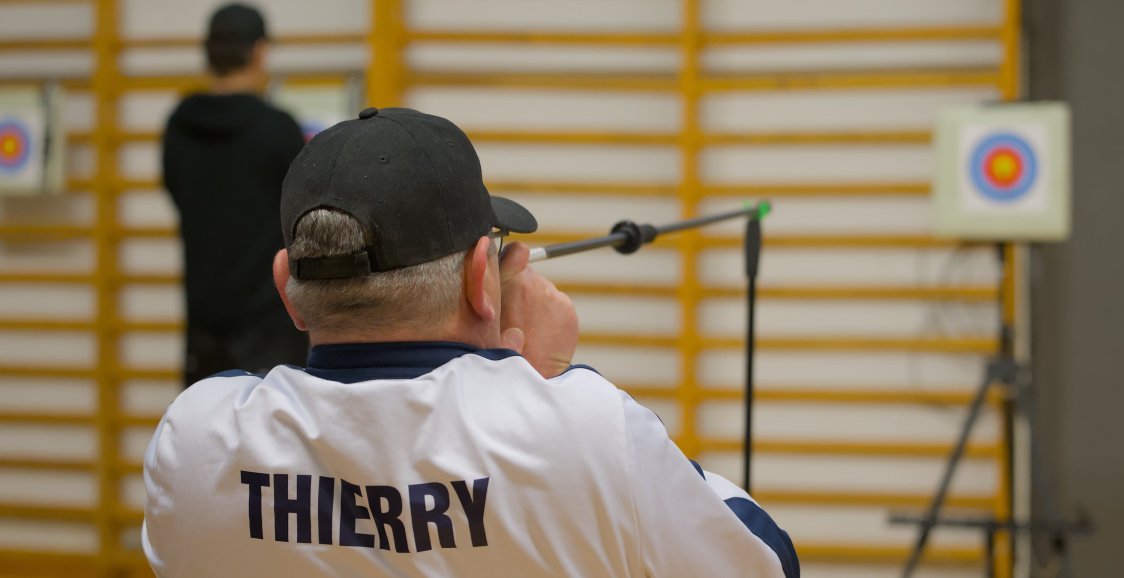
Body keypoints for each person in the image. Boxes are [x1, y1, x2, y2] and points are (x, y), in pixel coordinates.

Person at [141, 107, 800, 578]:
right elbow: (769, 562)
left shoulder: (193, 441)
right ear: (484, 280)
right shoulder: (587, 430)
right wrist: (540, 384)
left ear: (287, 287)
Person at [161, 3, 307, 387]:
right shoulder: (277, 130)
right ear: (259, 52)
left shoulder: (179, 126)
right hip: (272, 327)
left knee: (205, 440)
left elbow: (177, 192)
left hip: (203, 322)